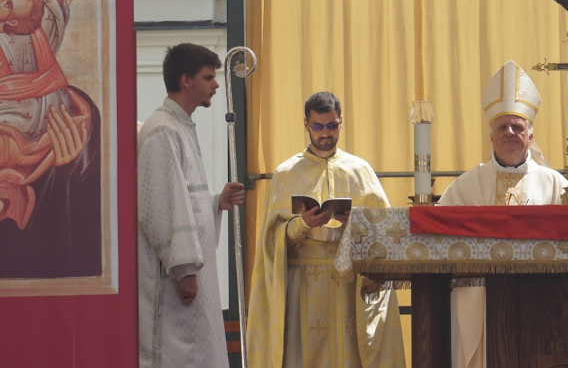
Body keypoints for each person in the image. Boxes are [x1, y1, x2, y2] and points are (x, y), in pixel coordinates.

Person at [247, 91, 405, 368]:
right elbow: (270, 240)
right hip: (303, 285)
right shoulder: (286, 173)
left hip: (350, 284)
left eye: (331, 125)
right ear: (305, 124)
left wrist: (357, 221)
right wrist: (301, 224)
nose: (325, 133)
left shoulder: (360, 170)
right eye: (318, 126)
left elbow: (386, 229)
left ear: (341, 122)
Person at [438, 59, 568, 368]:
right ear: (491, 136)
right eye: (502, 127)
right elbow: (438, 235)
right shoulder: (466, 185)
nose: (509, 132)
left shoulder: (556, 184)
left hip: (542, 297)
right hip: (480, 298)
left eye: (517, 127)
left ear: (530, 136)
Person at [0, 0, 98, 279]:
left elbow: (56, 10)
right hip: (12, 133)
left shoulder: (38, 29)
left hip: (39, 146)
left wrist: (67, 165)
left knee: (86, 117)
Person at [137, 43, 245, 368]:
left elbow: (184, 199)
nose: (215, 85)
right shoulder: (162, 131)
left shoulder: (179, 126)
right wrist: (184, 268)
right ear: (186, 80)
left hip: (189, 274)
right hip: (174, 279)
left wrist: (215, 202)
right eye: (208, 78)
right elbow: (162, 207)